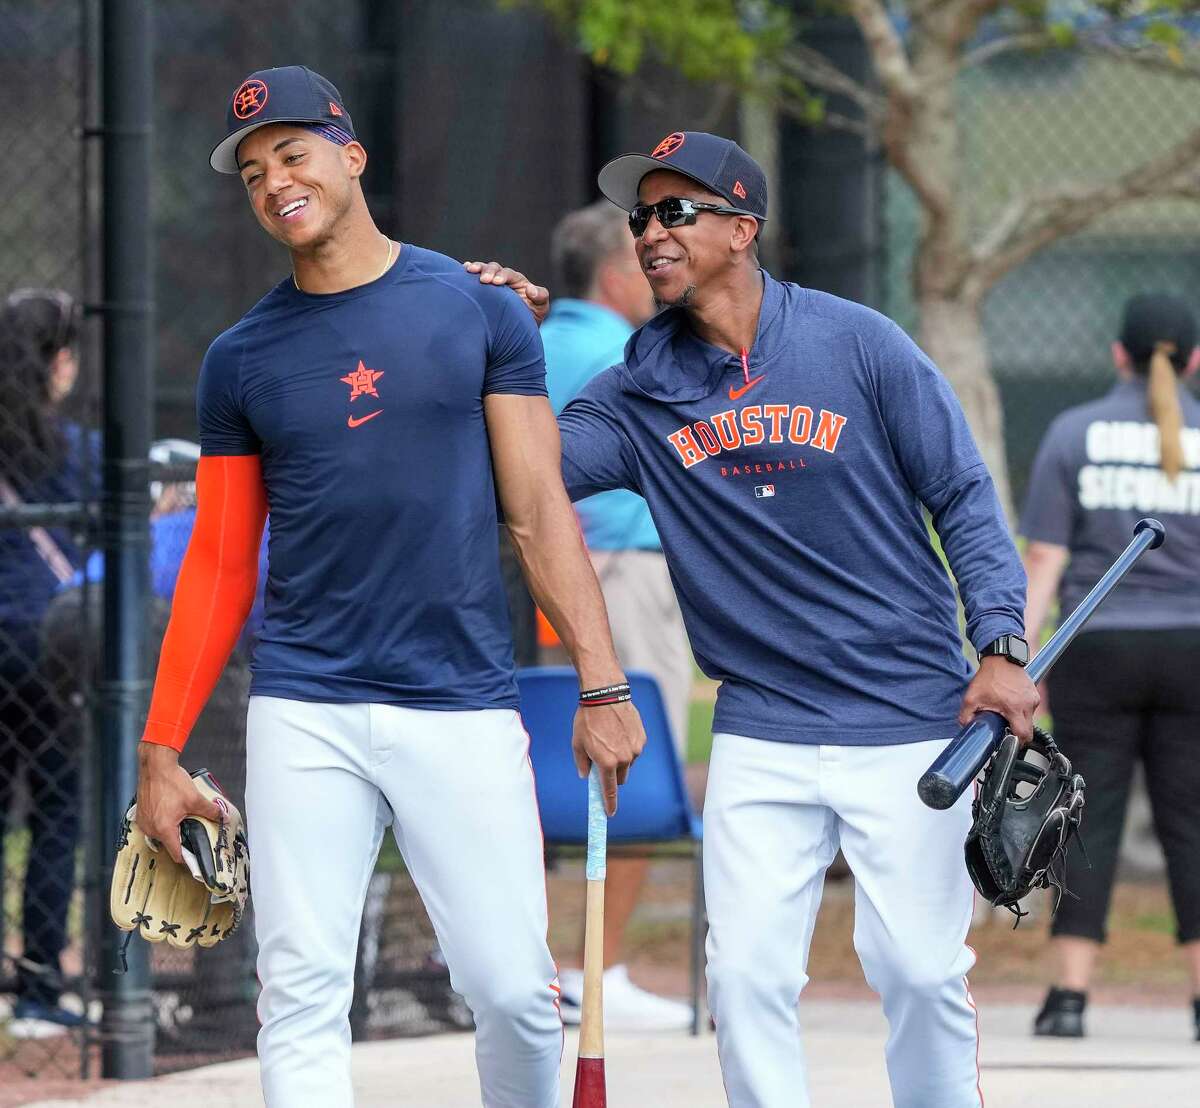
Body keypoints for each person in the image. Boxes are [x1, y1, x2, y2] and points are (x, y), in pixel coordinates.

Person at [479, 131, 1039, 1107]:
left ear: (742, 228)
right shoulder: (634, 392)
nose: (650, 232)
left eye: (675, 212)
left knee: (915, 969)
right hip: (762, 723)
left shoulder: (858, 343)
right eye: (641, 217)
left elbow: (961, 491)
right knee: (741, 981)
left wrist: (999, 642)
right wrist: (492, 341)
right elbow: (523, 477)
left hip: (907, 714)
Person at [134, 66, 644, 1108]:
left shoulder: (481, 312)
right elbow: (223, 561)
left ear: (350, 156)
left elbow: (539, 507)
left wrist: (604, 682)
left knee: (510, 992)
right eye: (254, 171)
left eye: (294, 153)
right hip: (305, 706)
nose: (276, 181)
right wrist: (161, 746)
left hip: (457, 701)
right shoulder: (241, 359)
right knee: (303, 992)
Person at [1020, 292, 1200, 1041]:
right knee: (1193, 825)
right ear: (1193, 360)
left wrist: (1013, 662)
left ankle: (1068, 999)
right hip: (1192, 650)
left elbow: (1045, 561)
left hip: (1096, 652)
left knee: (1083, 819)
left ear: (1118, 354)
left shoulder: (1072, 433)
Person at [538, 200, 694, 1031]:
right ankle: (595, 968)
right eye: (641, 263)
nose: (656, 276)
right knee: (636, 762)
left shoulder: (527, 344)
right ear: (611, 276)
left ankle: (561, 964)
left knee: (551, 777)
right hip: (624, 579)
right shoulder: (629, 356)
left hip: (547, 585)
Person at [0, 288, 94, 1038]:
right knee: (59, 811)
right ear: (60, 364)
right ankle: (36, 989)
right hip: (52, 652)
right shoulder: (76, 452)